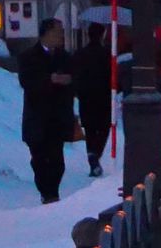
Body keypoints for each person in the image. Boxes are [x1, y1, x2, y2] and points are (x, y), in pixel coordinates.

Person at [18, 18, 73, 204]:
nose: (61, 36)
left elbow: (75, 80)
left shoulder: (65, 58)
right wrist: (50, 80)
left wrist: (69, 81)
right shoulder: (28, 57)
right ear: (47, 33)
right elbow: (27, 82)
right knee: (40, 160)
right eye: (58, 32)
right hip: (37, 118)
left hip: (57, 118)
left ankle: (53, 193)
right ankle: (47, 194)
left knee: (58, 162)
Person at [72, 23, 113, 178]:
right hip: (103, 97)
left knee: (90, 130)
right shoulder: (107, 54)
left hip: (86, 98)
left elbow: (75, 75)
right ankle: (95, 156)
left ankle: (92, 158)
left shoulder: (80, 54)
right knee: (103, 128)